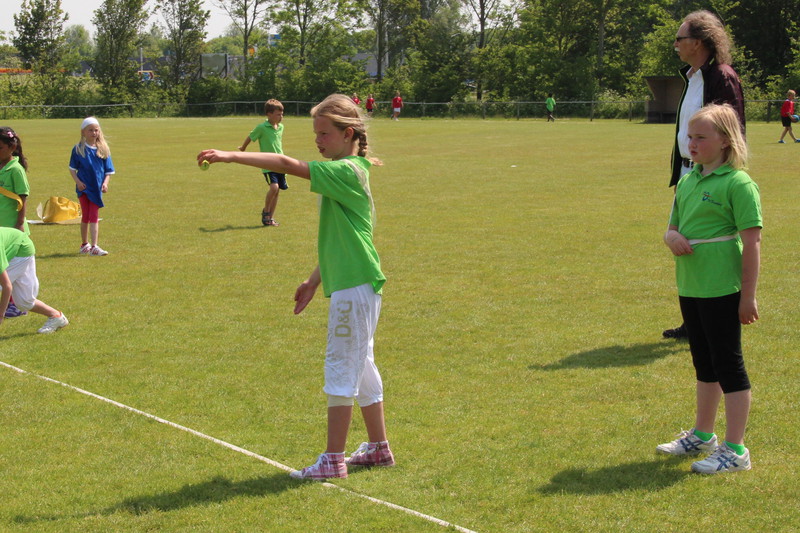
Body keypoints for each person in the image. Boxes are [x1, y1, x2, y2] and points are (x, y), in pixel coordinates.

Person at [198, 94, 394, 481]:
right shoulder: (347, 171)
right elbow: (345, 241)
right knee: (362, 367)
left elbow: (287, 164)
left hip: (354, 289)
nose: (317, 141)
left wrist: (232, 156)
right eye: (315, 133)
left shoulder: (346, 171)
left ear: (347, 134)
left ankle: (333, 460)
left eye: (324, 134)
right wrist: (313, 280)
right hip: (357, 284)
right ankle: (377, 448)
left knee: (341, 368)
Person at [658, 104, 760, 474]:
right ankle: (703, 435)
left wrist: (748, 295)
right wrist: (671, 237)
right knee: (703, 361)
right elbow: (673, 226)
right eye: (690, 136)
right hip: (691, 285)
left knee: (727, 364)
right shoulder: (688, 181)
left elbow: (752, 243)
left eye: (701, 137)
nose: (692, 144)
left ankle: (736, 450)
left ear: (726, 140)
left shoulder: (738, 183)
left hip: (722, 287)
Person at [663, 10, 745, 340]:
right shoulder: (693, 77)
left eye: (679, 39)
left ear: (697, 42)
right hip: (690, 173)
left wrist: (715, 173)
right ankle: (693, 319)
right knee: (685, 244)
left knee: (710, 245)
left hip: (709, 174)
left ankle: (717, 317)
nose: (675, 45)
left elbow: (730, 130)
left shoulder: (721, 76)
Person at [0, 227, 69, 334]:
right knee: (24, 302)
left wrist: (1, 315)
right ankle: (56, 316)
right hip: (16, 247)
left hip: (22, 250)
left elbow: (6, 286)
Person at [69, 117, 114, 256]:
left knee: (94, 216)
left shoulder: (103, 149)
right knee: (86, 216)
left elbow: (108, 171)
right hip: (83, 189)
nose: (94, 133)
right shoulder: (78, 149)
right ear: (83, 132)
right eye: (90, 130)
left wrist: (105, 183)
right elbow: (72, 169)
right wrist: (78, 182)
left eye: (96, 130)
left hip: (96, 189)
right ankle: (84, 244)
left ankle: (94, 246)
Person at [239, 99, 287, 226]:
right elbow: (251, 136)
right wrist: (243, 148)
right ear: (269, 114)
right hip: (268, 163)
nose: (281, 117)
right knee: (274, 187)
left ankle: (270, 218)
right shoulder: (261, 127)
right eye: (278, 114)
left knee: (277, 191)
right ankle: (266, 211)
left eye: (282, 114)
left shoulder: (281, 127)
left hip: (280, 163)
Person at [0, 127, 31, 318]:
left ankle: (16, 304)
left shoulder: (16, 169)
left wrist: (19, 224)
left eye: (0, 148)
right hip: (1, 228)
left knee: (11, 269)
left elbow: (23, 197)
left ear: (12, 147)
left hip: (12, 228)